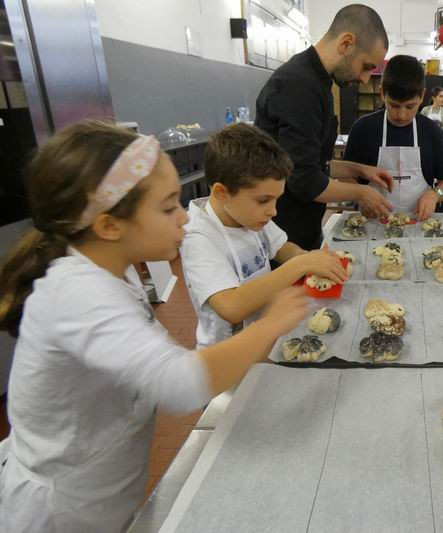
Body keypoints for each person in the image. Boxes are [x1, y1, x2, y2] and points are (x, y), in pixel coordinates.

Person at [0, 121, 308, 531]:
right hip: (60, 511)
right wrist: (271, 324)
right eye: (167, 208)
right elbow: (179, 383)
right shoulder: (75, 293)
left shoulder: (116, 273)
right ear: (109, 225)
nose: (184, 218)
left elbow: (158, 357)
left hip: (106, 491)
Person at [181, 124, 347, 349]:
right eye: (263, 200)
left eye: (276, 200)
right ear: (222, 193)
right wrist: (301, 264)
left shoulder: (249, 216)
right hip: (227, 356)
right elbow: (231, 307)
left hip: (265, 336)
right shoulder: (199, 238)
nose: (273, 211)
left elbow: (282, 248)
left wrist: (310, 258)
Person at [255, 4, 394, 249]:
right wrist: (361, 193)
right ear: (347, 43)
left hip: (303, 228)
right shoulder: (300, 85)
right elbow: (305, 180)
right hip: (281, 234)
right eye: (367, 66)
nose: (364, 78)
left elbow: (314, 163)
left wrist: (360, 170)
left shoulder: (319, 83)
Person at [343, 55, 443, 219]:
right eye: (394, 105)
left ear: (422, 95)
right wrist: (359, 197)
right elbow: (346, 175)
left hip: (419, 224)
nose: (402, 114)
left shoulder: (432, 131)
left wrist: (435, 194)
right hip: (372, 223)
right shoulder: (363, 128)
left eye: (410, 106)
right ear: (382, 93)